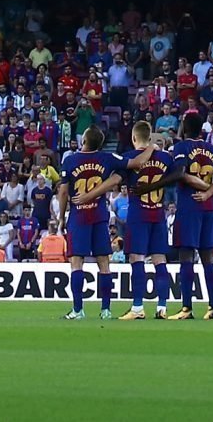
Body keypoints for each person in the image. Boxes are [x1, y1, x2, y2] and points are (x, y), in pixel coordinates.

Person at [56, 127, 125, 321]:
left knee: (77, 263)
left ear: (84, 139)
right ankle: (106, 310)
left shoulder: (70, 160)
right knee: (104, 263)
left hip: (79, 217)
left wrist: (61, 218)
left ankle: (78, 310)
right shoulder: (107, 158)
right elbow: (128, 165)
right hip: (99, 215)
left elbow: (63, 192)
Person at [163, 115, 213, 320]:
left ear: (184, 128)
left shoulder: (182, 147)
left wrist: (203, 188)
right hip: (209, 207)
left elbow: (180, 173)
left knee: (186, 256)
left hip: (189, 206)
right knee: (208, 258)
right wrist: (209, 191)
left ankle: (186, 308)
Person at [118, 120, 171, 319]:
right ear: (150, 138)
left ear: (133, 138)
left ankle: (138, 308)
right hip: (158, 213)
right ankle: (162, 307)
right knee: (159, 259)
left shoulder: (130, 157)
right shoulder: (165, 158)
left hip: (138, 214)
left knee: (136, 259)